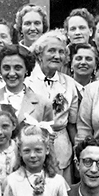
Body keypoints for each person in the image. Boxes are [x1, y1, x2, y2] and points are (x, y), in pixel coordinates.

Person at [26, 30, 79, 180]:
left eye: (61, 52)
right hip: (32, 141)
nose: (57, 56)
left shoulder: (69, 83)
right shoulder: (26, 79)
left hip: (61, 145)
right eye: (51, 51)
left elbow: (72, 124)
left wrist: (77, 151)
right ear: (39, 54)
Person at [0, 44, 53, 126]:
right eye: (6, 68)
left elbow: (48, 136)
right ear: (0, 70)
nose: (12, 73)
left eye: (17, 68)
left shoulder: (43, 103)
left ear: (26, 69)